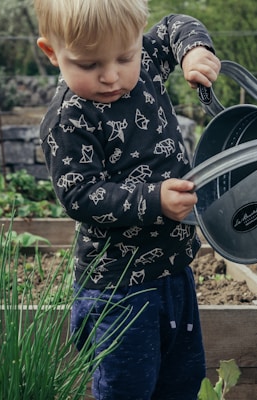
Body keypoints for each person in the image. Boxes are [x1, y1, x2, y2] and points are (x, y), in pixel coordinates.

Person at [33, 0, 221, 398]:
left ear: (138, 40)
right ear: (52, 52)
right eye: (88, 64)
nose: (111, 75)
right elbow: (79, 195)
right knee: (127, 387)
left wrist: (194, 51)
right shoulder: (71, 118)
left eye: (125, 56)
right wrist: (154, 200)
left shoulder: (148, 61)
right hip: (118, 288)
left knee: (183, 381)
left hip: (175, 272)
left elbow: (174, 27)